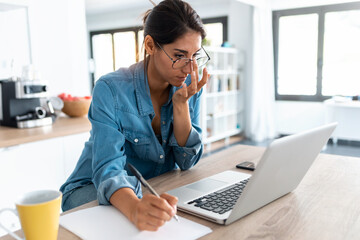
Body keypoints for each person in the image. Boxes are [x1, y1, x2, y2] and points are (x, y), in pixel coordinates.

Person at [60, 0, 210, 231]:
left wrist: (181, 106)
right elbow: (108, 169)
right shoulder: (110, 89)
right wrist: (135, 207)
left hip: (149, 187)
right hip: (92, 189)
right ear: (150, 45)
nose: (190, 68)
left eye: (195, 56)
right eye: (179, 56)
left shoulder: (189, 85)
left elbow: (187, 161)